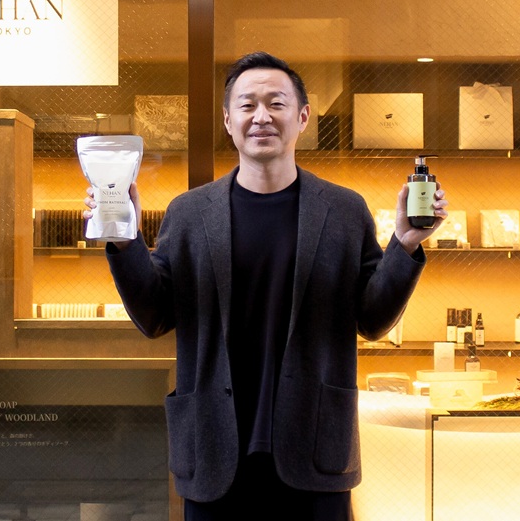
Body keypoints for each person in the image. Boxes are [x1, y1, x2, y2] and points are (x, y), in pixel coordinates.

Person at [87, 51, 447, 520]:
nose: (261, 116)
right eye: (247, 104)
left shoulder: (343, 211)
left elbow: (374, 321)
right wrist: (125, 240)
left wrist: (405, 244)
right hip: (215, 449)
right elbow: (154, 317)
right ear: (227, 120)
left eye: (276, 103)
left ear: (302, 117)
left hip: (315, 448)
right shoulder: (190, 213)